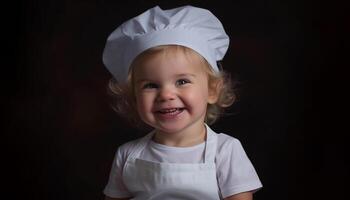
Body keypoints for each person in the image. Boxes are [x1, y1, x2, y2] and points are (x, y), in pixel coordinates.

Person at [102, 5, 262, 200]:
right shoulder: (127, 155)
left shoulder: (225, 151)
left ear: (212, 90)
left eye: (182, 81)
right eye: (151, 85)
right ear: (134, 97)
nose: (166, 95)